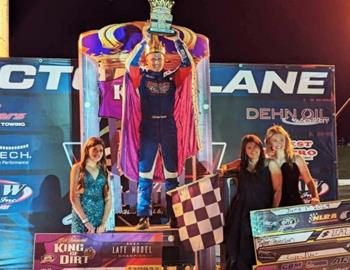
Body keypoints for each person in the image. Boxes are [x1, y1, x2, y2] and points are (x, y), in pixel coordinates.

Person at [118, 29, 199, 230]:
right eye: (152, 58)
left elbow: (188, 65)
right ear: (148, 58)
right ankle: (143, 218)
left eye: (159, 58)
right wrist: (144, 42)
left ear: (163, 60)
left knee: (172, 176)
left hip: (169, 127)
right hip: (149, 127)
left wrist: (177, 41)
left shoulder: (171, 79)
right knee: (145, 174)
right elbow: (130, 65)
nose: (156, 61)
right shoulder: (142, 78)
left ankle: (174, 217)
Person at [222, 134, 282, 270]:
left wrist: (272, 212)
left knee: (260, 250)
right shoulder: (241, 164)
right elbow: (225, 167)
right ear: (245, 150)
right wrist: (222, 170)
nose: (252, 150)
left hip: (262, 212)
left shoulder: (270, 164)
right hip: (242, 212)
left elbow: (278, 190)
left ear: (261, 148)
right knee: (239, 248)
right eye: (249, 147)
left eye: (255, 147)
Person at [265, 125, 320, 206]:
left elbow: (309, 181)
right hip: (274, 206)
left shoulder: (297, 159)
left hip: (294, 204)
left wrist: (315, 197)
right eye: (275, 140)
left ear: (286, 141)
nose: (279, 143)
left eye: (281, 140)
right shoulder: (267, 162)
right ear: (270, 142)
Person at [70, 137, 112, 233]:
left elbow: (109, 199)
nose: (98, 153)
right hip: (82, 219)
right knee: (80, 246)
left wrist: (104, 223)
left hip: (99, 221)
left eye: (101, 150)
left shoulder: (104, 172)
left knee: (99, 247)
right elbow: (74, 197)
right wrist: (86, 222)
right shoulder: (77, 168)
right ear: (87, 150)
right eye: (94, 149)